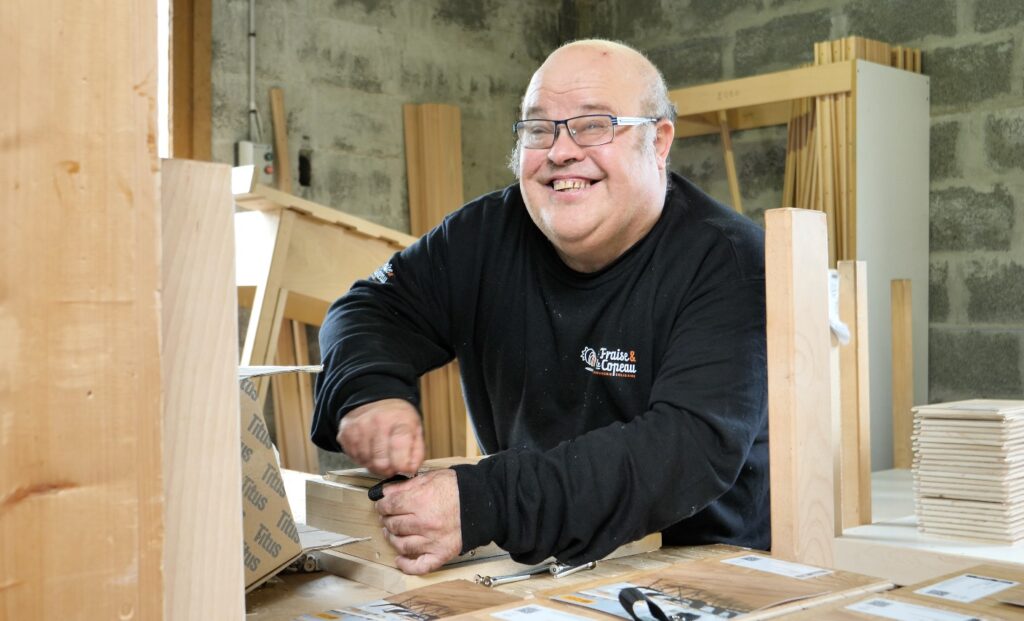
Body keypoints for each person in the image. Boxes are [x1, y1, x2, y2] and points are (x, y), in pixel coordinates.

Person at [311, 38, 768, 576]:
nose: (560, 151)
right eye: (538, 128)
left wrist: (487, 501)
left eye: (594, 124)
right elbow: (371, 308)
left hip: (697, 570)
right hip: (524, 563)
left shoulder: (726, 260)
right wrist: (369, 390)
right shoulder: (484, 236)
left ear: (659, 142)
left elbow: (684, 450)